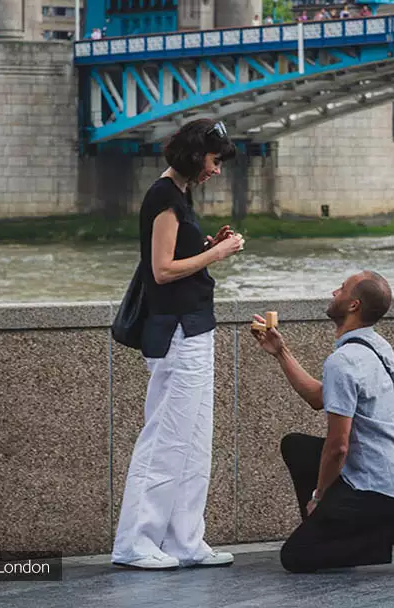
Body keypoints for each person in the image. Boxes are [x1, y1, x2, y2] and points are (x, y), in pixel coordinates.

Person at [112, 119, 246, 571]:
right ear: (194, 156)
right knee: (166, 438)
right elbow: (163, 269)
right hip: (176, 335)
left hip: (194, 328)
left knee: (194, 440)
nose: (216, 170)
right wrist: (217, 255)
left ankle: (184, 539)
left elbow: (176, 258)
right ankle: (135, 543)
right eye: (213, 161)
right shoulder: (163, 197)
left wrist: (208, 244)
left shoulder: (179, 195)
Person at [249, 271, 394, 575]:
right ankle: (334, 527)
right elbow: (319, 397)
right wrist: (280, 352)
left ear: (354, 305)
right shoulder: (378, 347)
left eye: (342, 290)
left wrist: (318, 497)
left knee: (296, 556)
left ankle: (393, 530)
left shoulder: (344, 362)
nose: (334, 292)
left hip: (379, 489)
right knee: (297, 446)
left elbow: (338, 447)